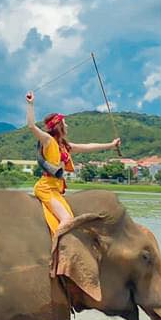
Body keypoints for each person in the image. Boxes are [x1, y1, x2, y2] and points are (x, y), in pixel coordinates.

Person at [26, 90, 121, 233]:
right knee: (67, 219)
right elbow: (31, 126)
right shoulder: (48, 141)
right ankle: (56, 249)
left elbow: (88, 146)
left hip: (56, 189)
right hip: (46, 188)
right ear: (59, 126)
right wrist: (30, 104)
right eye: (65, 123)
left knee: (69, 216)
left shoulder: (65, 147)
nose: (68, 126)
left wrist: (111, 145)